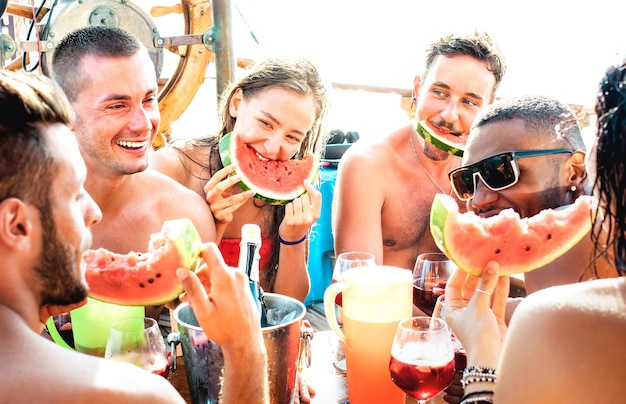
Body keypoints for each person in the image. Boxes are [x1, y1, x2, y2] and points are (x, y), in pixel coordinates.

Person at [0, 69, 268, 403]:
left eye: (149, 99)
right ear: (16, 225)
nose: (93, 212)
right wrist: (246, 350)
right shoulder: (135, 395)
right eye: (73, 194)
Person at [444, 62, 626, 404]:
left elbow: (550, 319)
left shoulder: (575, 230)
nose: (478, 200)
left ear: (576, 168)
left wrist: (481, 375)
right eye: (467, 181)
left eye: (501, 170)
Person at [50, 26, 216, 320]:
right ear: (65, 112)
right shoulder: (17, 218)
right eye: (117, 105)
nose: (144, 123)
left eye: (149, 100)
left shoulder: (187, 214)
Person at [150, 57, 329, 303]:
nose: (272, 147)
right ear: (236, 103)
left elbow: (289, 302)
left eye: (292, 137)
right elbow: (165, 298)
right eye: (265, 123)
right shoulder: (173, 167)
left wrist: (293, 235)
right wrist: (213, 224)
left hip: (259, 332)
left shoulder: (294, 189)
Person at [332, 30, 507, 274]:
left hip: (454, 310)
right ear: (417, 89)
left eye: (469, 102)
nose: (449, 115)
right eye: (439, 93)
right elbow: (360, 283)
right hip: (377, 310)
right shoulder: (368, 164)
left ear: (489, 109)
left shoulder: (490, 177)